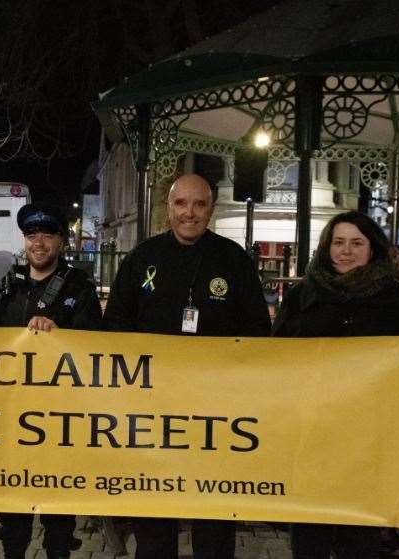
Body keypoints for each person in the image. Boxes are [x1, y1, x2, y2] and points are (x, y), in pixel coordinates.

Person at [102, 173, 271, 559]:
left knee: (213, 520)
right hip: (153, 412)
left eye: (199, 205)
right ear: (169, 208)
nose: (189, 213)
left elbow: (258, 330)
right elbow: (115, 324)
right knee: (154, 520)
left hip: (216, 413)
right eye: (181, 204)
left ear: (210, 209)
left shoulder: (233, 260)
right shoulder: (142, 258)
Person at [271, 211, 399, 559]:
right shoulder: (302, 295)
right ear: (327, 246)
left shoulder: (398, 296)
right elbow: (278, 355)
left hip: (369, 441)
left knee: (360, 538)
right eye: (339, 242)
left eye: (357, 243)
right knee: (309, 533)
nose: (346, 251)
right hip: (311, 435)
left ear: (372, 249)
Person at [0, 202, 101, 559]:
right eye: (31, 235)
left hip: (61, 420)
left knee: (58, 518)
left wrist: (61, 334)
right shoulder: (8, 286)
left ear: (61, 241)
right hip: (14, 418)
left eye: (47, 235)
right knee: (13, 516)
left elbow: (96, 342)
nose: (38, 242)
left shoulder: (80, 287)